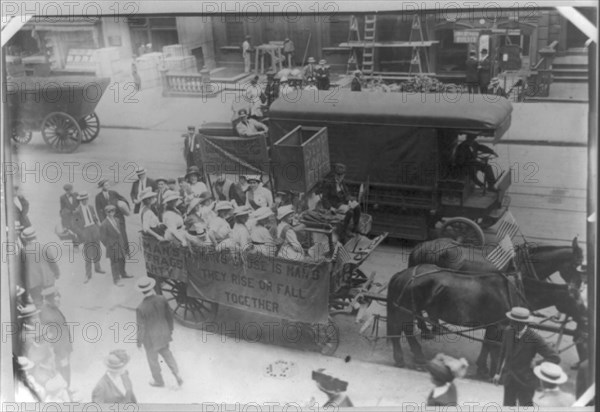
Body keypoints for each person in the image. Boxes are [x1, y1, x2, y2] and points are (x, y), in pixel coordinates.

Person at [493, 307, 561, 407]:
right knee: (507, 407)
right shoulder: (508, 331)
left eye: (514, 322)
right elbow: (502, 353)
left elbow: (555, 357)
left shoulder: (534, 338)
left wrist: (537, 363)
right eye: (511, 321)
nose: (511, 324)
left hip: (525, 382)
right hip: (509, 379)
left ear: (523, 323)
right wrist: (497, 373)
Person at [136, 277, 183, 388]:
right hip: (163, 334)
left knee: (153, 361)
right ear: (151, 288)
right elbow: (169, 316)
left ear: (142, 291)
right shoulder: (162, 299)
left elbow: (141, 328)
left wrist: (139, 342)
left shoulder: (140, 308)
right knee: (167, 354)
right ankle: (177, 375)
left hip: (150, 340)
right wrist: (170, 330)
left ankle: (159, 381)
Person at [39, 286, 73, 387]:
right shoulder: (47, 314)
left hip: (64, 348)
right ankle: (66, 393)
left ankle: (67, 391)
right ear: (49, 299)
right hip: (59, 351)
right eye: (56, 297)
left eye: (58, 296)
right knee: (63, 372)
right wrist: (61, 354)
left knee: (65, 370)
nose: (58, 299)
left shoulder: (52, 308)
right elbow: (50, 337)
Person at [319, 163, 361, 242]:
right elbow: (324, 198)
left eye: (341, 175)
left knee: (357, 207)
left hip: (344, 202)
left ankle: (355, 227)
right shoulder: (329, 183)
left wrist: (350, 199)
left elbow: (346, 193)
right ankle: (344, 232)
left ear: (344, 175)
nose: (340, 177)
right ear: (335, 174)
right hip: (336, 204)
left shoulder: (342, 182)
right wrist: (330, 207)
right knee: (350, 212)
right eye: (338, 175)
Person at [19, 228, 60, 305]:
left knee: (38, 304)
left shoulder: (23, 252)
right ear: (35, 236)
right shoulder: (44, 247)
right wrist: (57, 273)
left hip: (33, 283)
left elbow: (22, 270)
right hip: (48, 280)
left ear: (25, 239)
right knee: (51, 302)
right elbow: (53, 263)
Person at [72, 191, 105, 283]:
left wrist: (98, 227)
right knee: (88, 253)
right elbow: (74, 225)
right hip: (85, 230)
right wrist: (82, 233)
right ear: (80, 200)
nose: (85, 201)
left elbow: (95, 218)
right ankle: (88, 274)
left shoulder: (91, 207)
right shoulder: (77, 211)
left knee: (97, 249)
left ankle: (98, 268)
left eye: (86, 199)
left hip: (94, 229)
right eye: (83, 200)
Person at [95, 179, 130, 255]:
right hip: (109, 219)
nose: (108, 186)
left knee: (123, 234)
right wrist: (102, 221)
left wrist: (123, 206)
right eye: (106, 185)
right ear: (102, 187)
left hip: (119, 217)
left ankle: (127, 252)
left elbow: (123, 199)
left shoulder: (114, 193)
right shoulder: (98, 197)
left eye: (108, 184)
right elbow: (98, 210)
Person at [99, 205, 131, 287]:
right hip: (112, 246)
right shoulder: (104, 224)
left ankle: (123, 273)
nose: (111, 213)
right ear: (106, 213)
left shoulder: (117, 220)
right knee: (114, 263)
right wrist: (109, 245)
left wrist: (122, 242)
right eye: (109, 212)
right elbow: (102, 238)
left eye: (113, 211)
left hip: (120, 243)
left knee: (122, 259)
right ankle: (116, 279)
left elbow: (120, 232)